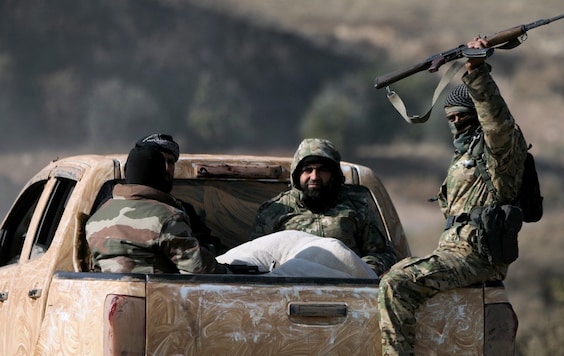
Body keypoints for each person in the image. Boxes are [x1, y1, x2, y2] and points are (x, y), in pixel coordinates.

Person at [378, 37, 529, 355]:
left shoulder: (499, 153)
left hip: (478, 256)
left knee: (397, 282)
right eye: (451, 119)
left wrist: (476, 71)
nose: (457, 122)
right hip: (456, 253)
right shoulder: (462, 160)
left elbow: (497, 124)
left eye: (463, 115)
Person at [249, 137, 399, 276]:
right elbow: (255, 259)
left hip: (347, 289)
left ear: (333, 174)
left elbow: (383, 255)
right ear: (297, 175)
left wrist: (359, 271)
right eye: (308, 170)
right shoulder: (275, 211)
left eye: (322, 170)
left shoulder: (357, 206)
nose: (314, 177)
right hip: (289, 289)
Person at [86, 143, 226, 274]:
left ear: (126, 171)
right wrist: (231, 273)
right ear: (161, 174)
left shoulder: (96, 218)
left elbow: (94, 269)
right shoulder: (167, 218)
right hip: (157, 298)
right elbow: (198, 270)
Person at [137, 133, 227, 254]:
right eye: (160, 161)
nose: (166, 168)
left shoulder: (183, 210)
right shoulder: (119, 207)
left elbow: (205, 249)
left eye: (171, 162)